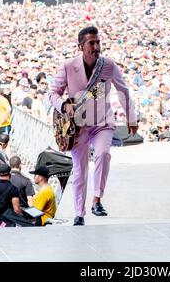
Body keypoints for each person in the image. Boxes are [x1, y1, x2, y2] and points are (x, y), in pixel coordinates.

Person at [49, 26, 138, 226]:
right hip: (78, 126)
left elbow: (123, 91)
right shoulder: (68, 66)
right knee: (80, 170)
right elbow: (52, 93)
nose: (96, 46)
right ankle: (79, 213)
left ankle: (97, 199)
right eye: (91, 43)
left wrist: (131, 118)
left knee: (103, 154)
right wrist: (64, 105)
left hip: (102, 123)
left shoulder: (108, 65)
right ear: (81, 46)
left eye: (98, 42)